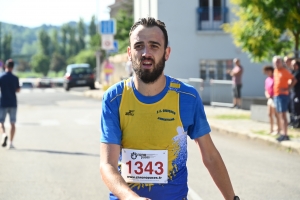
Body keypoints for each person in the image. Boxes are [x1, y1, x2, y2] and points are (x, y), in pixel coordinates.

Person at [99, 17, 238, 200]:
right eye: (139, 46)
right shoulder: (114, 98)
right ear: (129, 52)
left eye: (154, 46)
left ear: (167, 53)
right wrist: (131, 198)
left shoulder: (187, 97)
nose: (146, 53)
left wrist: (232, 198)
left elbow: (210, 156)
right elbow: (107, 165)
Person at [273, 56, 297, 142]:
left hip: (283, 95)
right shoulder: (275, 71)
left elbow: (294, 80)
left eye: (278, 62)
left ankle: (285, 134)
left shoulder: (285, 71)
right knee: (279, 115)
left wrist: (288, 88)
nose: (277, 63)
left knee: (283, 115)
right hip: (276, 95)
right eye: (275, 62)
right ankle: (282, 133)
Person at [0, 59, 20, 149]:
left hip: (3, 101)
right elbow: (18, 90)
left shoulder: (1, 77)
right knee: (12, 123)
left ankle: (4, 135)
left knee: (1, 122)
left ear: (5, 66)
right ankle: (11, 143)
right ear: (13, 67)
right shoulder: (15, 78)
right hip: (13, 102)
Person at [263, 65, 281, 134]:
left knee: (276, 114)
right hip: (270, 98)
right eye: (266, 71)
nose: (267, 72)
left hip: (275, 97)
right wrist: (267, 95)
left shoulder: (275, 78)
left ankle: (278, 129)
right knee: (269, 114)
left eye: (269, 71)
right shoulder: (267, 79)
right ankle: (271, 129)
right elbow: (266, 89)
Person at [289, 59, 300, 127]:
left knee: (296, 108)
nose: (292, 66)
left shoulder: (298, 73)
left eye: (294, 64)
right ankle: (294, 122)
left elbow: (293, 81)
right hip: (293, 92)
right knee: (292, 108)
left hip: (297, 93)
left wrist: (287, 88)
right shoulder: (293, 72)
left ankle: (297, 124)